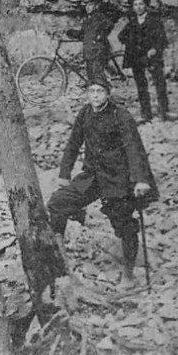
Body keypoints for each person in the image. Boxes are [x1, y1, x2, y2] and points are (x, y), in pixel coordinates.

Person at [47, 78, 158, 290]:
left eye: (100, 91)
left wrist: (140, 180)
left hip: (118, 180)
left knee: (124, 225)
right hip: (92, 177)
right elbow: (73, 143)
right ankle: (61, 263)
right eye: (91, 91)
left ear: (108, 93)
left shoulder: (121, 116)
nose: (95, 95)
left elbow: (134, 149)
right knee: (58, 203)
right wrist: (64, 174)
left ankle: (128, 275)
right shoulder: (85, 113)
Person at [118, 0, 176, 123]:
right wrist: (131, 45)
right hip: (136, 58)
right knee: (141, 85)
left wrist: (154, 48)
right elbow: (121, 36)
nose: (138, 7)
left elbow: (162, 39)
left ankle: (164, 112)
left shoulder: (154, 21)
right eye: (135, 5)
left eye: (141, 4)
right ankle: (146, 114)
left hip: (152, 57)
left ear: (146, 5)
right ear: (133, 7)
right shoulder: (132, 23)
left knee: (159, 82)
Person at [73, 0, 116, 84]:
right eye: (86, 5)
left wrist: (101, 35)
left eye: (90, 5)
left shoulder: (99, 17)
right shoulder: (86, 21)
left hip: (98, 50)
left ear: (96, 6)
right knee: (91, 75)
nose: (88, 7)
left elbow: (109, 24)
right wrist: (70, 32)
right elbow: (81, 34)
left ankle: (103, 94)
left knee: (98, 75)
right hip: (89, 51)